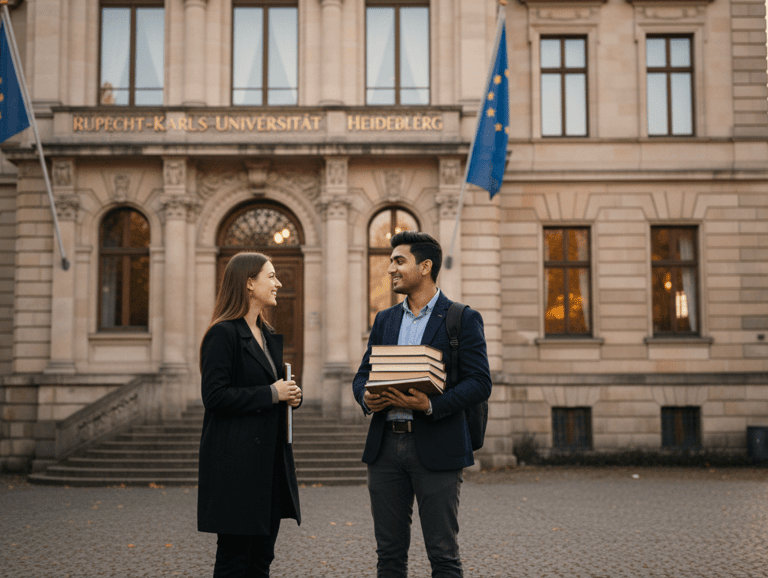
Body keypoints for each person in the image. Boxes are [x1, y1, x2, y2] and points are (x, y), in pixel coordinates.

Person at [352, 231, 492, 578]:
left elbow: (480, 382)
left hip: (438, 445)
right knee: (389, 556)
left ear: (425, 266)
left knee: (443, 555)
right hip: (384, 450)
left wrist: (430, 404)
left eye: (399, 261)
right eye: (391, 261)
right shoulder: (385, 320)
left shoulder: (462, 318)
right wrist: (366, 397)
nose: (390, 269)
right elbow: (362, 375)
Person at [197, 252, 302, 578]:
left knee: (261, 559)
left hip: (270, 464)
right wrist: (273, 393)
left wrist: (291, 396)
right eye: (271, 276)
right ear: (248, 283)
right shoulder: (223, 333)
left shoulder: (268, 334)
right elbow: (214, 397)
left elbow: (271, 387)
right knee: (234, 560)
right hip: (236, 465)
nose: (278, 283)